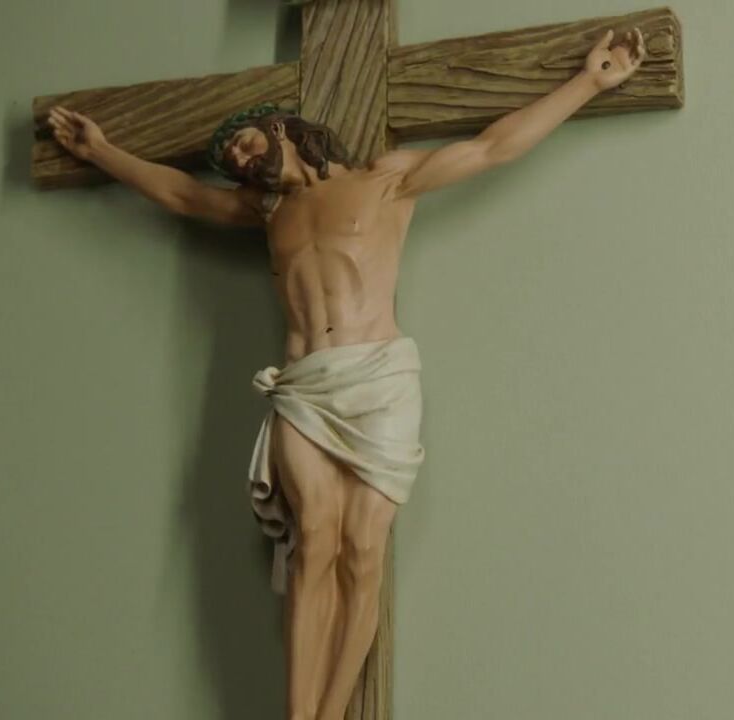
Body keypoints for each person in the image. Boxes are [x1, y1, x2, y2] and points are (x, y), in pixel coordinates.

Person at [47, 26, 645, 720]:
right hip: (306, 386)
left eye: (247, 143)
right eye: (233, 161)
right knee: (314, 541)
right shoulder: (267, 212)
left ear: (283, 129)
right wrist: (102, 151)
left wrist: (589, 81)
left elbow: (492, 146)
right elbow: (183, 196)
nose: (240, 160)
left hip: (380, 379)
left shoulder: (385, 180)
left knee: (363, 550)